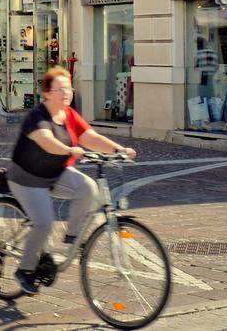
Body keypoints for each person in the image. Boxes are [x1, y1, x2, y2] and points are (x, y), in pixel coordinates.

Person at [8, 67, 137, 295]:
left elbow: (90, 138)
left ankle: (72, 237)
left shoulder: (69, 114)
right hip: (27, 178)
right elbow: (46, 141)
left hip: (55, 173)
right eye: (59, 89)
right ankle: (25, 270)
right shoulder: (37, 116)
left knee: (88, 188)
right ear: (47, 93)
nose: (65, 92)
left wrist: (119, 150)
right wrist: (68, 149)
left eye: (68, 88)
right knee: (44, 223)